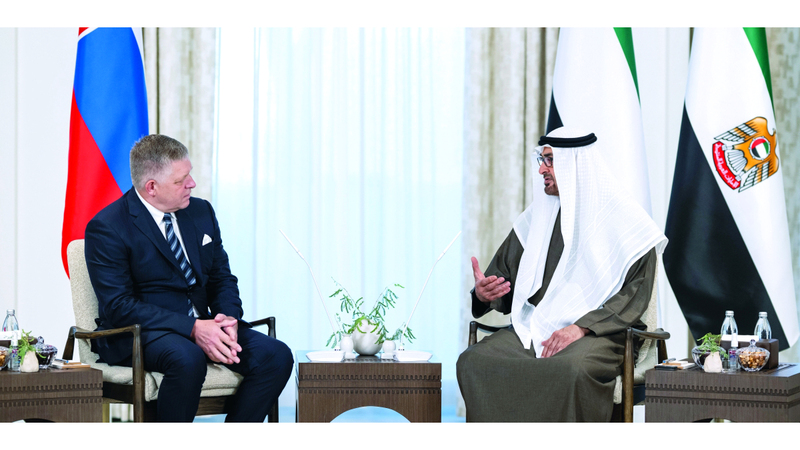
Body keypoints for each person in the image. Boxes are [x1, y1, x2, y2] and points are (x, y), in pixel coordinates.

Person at [456, 126, 667, 422]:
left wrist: (581, 328)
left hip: (600, 334)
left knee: (572, 369)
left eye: (550, 161)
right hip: (535, 327)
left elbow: (635, 294)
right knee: (475, 361)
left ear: (576, 164)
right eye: (542, 159)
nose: (541, 169)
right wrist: (483, 294)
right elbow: (502, 281)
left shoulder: (626, 222)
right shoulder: (536, 218)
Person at [84, 134, 293, 422]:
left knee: (276, 356)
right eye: (181, 180)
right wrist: (193, 328)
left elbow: (221, 277)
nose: (192, 184)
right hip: (143, 332)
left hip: (205, 323)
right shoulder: (108, 227)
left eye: (189, 174)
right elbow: (119, 306)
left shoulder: (200, 211)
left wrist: (227, 319)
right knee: (187, 358)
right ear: (152, 187)